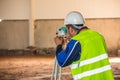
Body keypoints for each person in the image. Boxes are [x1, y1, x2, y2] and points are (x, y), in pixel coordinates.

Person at [54, 11, 114, 80]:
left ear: (70, 29)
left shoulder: (76, 41)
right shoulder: (99, 36)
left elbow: (62, 61)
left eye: (67, 29)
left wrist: (59, 45)